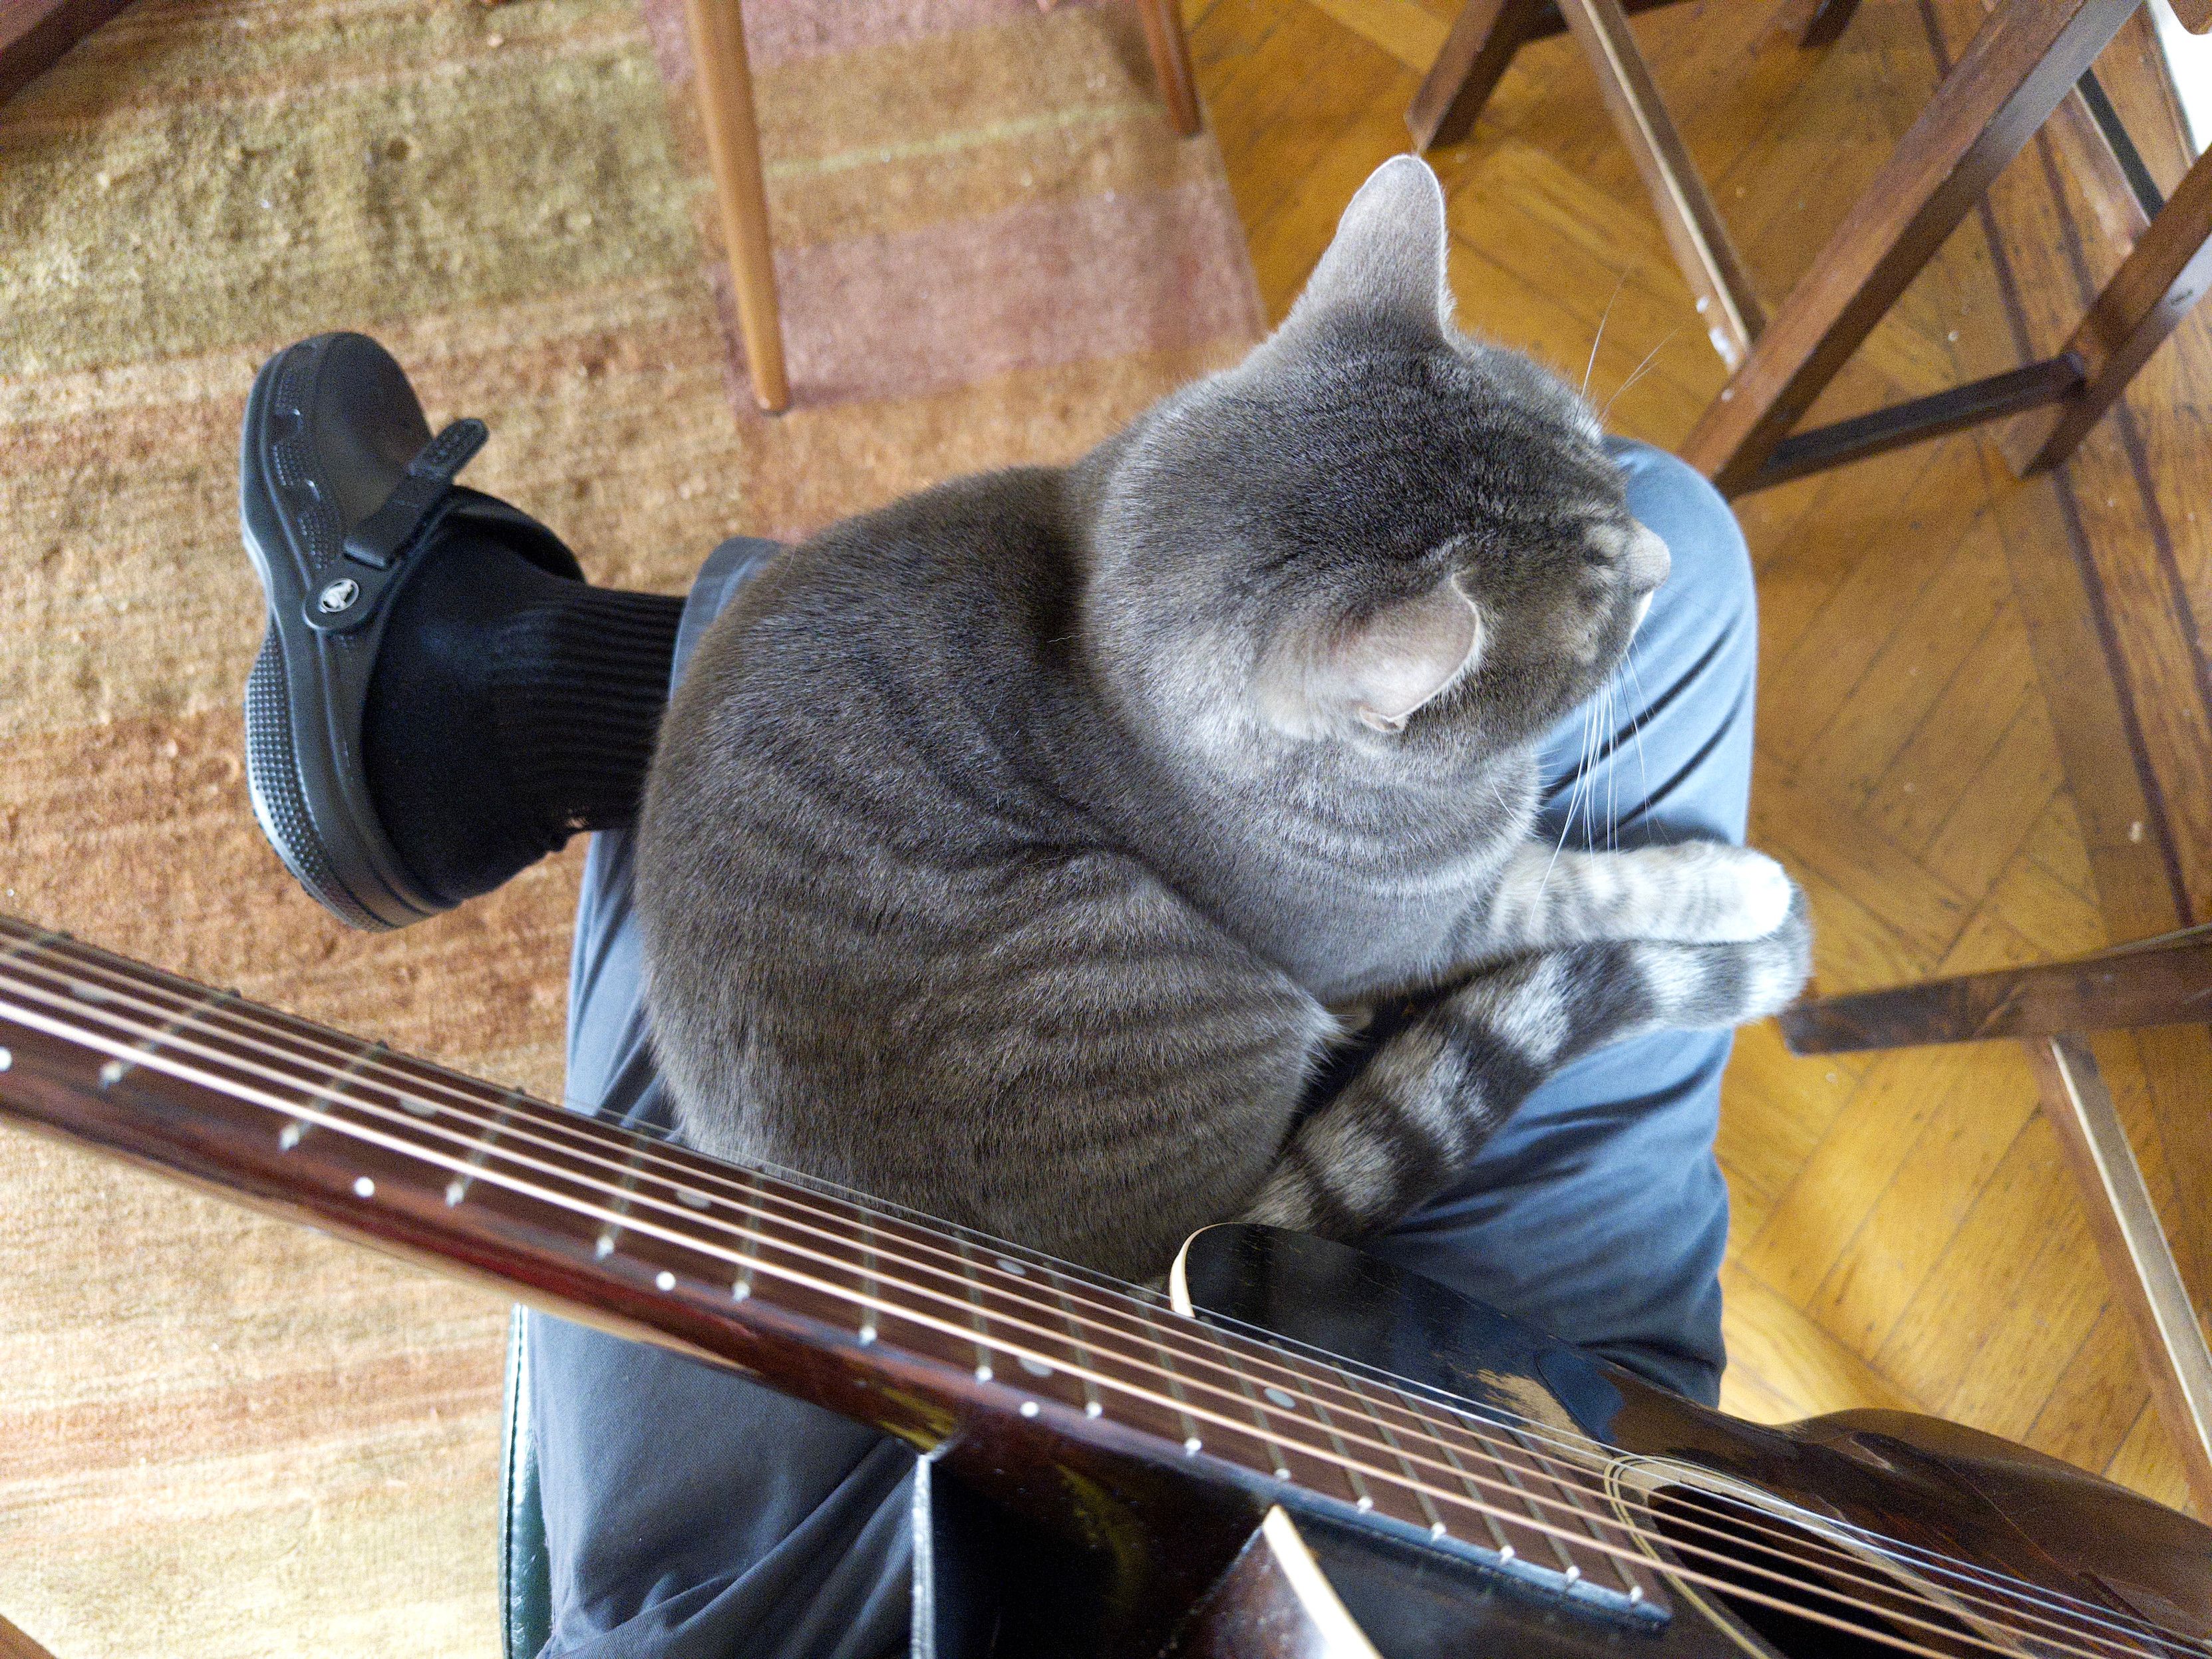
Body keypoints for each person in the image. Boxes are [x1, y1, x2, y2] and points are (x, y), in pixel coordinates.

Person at [238, 331, 1760, 1658]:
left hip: (944, 1596)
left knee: (863, 920)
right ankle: (488, 710)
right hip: (1609, 1478)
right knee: (1659, 561)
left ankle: (486, 707)